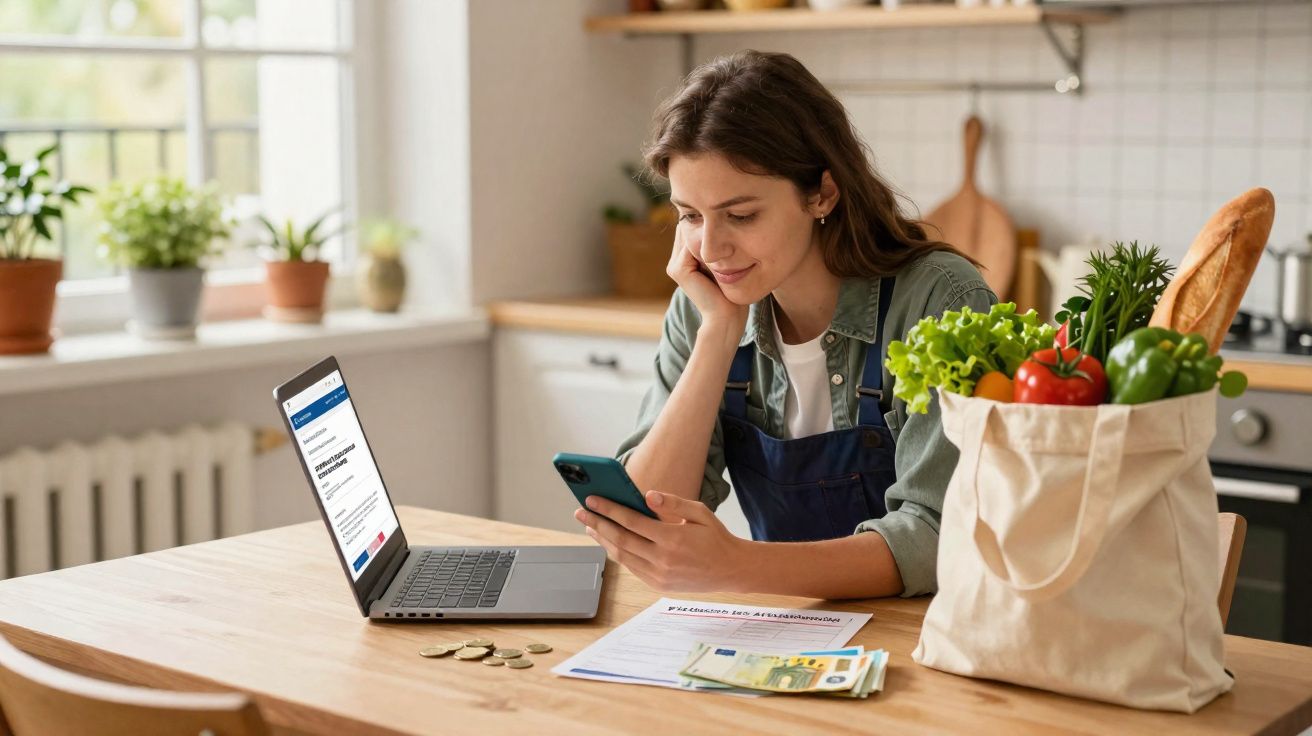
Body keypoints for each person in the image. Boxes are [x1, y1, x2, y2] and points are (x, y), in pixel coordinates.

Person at [572, 50, 996, 599]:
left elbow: (937, 535)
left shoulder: (940, 300)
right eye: (690, 216)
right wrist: (720, 332)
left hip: (928, 631)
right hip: (782, 626)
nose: (712, 248)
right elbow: (649, 518)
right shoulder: (706, 300)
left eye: (741, 215)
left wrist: (739, 566)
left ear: (821, 193)